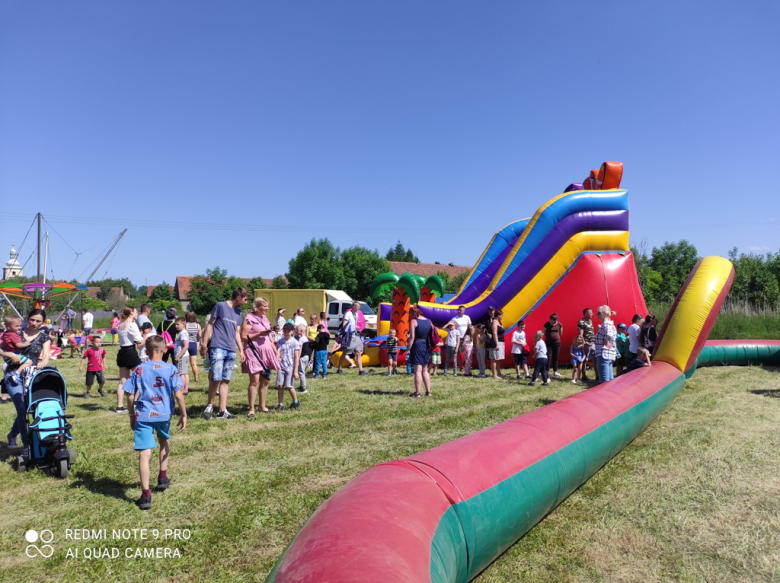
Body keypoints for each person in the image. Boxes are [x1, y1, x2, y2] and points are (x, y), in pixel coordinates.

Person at [124, 335, 187, 511]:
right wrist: (184, 414)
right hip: (164, 414)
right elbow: (179, 394)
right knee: (163, 441)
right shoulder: (171, 368)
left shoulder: (139, 369)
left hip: (143, 415)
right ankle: (162, 477)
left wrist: (131, 415)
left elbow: (130, 395)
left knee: (144, 454)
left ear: (145, 351)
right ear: (165, 350)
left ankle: (145, 495)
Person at [6, 309, 51, 457]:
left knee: (26, 409)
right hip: (14, 375)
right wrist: (10, 354)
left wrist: (43, 363)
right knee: (22, 409)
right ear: (27, 318)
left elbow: (45, 357)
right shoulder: (15, 331)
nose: (34, 323)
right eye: (32, 319)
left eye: (38, 321)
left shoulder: (44, 337)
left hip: (32, 374)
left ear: (42, 322)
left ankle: (12, 435)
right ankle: (27, 447)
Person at [200, 288, 249, 420]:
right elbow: (210, 325)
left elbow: (237, 332)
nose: (246, 302)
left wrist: (241, 350)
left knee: (226, 379)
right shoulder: (220, 305)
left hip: (231, 349)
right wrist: (204, 344)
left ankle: (222, 411)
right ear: (238, 297)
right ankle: (209, 405)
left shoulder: (238, 312)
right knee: (216, 377)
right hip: (218, 346)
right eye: (245, 299)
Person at [241, 297, 281, 417]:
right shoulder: (249, 318)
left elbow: (269, 337)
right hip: (254, 352)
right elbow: (243, 337)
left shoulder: (263, 317)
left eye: (267, 306)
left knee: (265, 380)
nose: (267, 309)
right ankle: (251, 409)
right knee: (255, 381)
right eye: (265, 306)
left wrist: (275, 351)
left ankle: (262, 406)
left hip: (266, 352)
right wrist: (259, 334)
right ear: (257, 306)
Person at [115, 307, 143, 414]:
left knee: (122, 382)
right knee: (141, 376)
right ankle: (136, 401)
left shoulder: (120, 325)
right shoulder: (132, 324)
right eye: (136, 311)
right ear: (131, 313)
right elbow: (139, 341)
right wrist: (146, 337)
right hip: (131, 352)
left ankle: (120, 406)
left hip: (122, 352)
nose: (137, 313)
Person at [408, 305, 432, 398]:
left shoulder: (413, 321)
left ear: (414, 313)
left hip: (417, 345)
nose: (410, 316)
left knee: (418, 370)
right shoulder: (428, 321)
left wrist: (408, 349)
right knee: (425, 370)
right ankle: (428, 392)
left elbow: (412, 337)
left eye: (410, 314)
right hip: (426, 345)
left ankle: (417, 393)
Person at [276, 323, 301, 410]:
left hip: (290, 367)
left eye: (288, 331)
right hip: (281, 367)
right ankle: (280, 404)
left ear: (292, 332)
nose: (286, 333)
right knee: (280, 386)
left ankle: (296, 401)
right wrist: (277, 358)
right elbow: (278, 351)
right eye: (284, 331)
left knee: (289, 386)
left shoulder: (295, 342)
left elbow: (296, 357)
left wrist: (295, 371)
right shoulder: (280, 341)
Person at [337, 302, 367, 376]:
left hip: (355, 336)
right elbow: (344, 325)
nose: (359, 308)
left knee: (358, 353)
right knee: (345, 353)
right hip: (349, 337)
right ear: (353, 306)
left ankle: (361, 371)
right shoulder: (348, 314)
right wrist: (354, 326)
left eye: (359, 306)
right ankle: (339, 369)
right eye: (357, 306)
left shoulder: (356, 314)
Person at [594, 305, 617, 383]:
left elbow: (609, 334)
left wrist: (606, 341)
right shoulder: (610, 324)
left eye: (599, 313)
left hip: (603, 354)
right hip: (609, 354)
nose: (597, 314)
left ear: (605, 314)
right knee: (610, 380)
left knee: (604, 381)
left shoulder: (606, 323)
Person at [577, 308, 596, 381]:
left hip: (592, 343)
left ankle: (597, 375)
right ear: (585, 314)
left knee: (595, 358)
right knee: (585, 360)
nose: (592, 314)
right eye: (590, 313)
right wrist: (584, 345)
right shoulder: (582, 322)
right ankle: (584, 375)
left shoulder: (590, 321)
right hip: (586, 343)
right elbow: (581, 335)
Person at [452, 306, 472, 373]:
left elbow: (470, 326)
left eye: (460, 310)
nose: (459, 311)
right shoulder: (454, 318)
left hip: (467, 337)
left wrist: (470, 335)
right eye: (458, 310)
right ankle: (461, 367)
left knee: (468, 352)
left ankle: (468, 366)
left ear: (464, 311)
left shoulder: (467, 317)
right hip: (459, 337)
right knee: (460, 353)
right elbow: (451, 326)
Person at [173, 317, 190, 397]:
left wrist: (178, 356)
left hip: (182, 356)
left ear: (183, 324)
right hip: (184, 355)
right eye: (175, 324)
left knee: (181, 374)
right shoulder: (182, 332)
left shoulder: (183, 333)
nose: (176, 326)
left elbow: (185, 346)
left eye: (178, 324)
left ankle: (182, 391)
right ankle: (185, 390)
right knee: (184, 373)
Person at [542, 313, 563, 378]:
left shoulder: (559, 324)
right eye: (553, 321)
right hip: (548, 343)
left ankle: (555, 371)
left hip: (557, 343)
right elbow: (544, 332)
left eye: (556, 321)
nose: (554, 322)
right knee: (548, 356)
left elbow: (561, 332)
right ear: (550, 319)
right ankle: (547, 371)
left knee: (555, 357)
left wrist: (556, 337)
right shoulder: (547, 324)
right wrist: (548, 337)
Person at [488, 308, 505, 379]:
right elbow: (494, 334)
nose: (503, 316)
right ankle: (494, 374)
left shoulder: (499, 322)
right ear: (498, 315)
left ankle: (499, 373)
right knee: (494, 358)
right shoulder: (494, 322)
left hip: (501, 341)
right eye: (502, 315)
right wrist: (497, 344)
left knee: (498, 358)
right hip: (496, 342)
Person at [295, 324, 312, 394]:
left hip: (302, 357)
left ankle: (303, 388)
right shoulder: (306, 338)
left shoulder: (301, 339)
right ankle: (301, 386)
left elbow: (299, 350)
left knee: (301, 373)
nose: (296, 332)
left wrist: (297, 359)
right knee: (303, 372)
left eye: (297, 331)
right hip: (307, 357)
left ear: (301, 331)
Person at [185, 311, 202, 383]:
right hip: (194, 344)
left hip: (186, 344)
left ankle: (184, 377)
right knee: (193, 363)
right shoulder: (198, 325)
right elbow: (200, 335)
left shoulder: (185, 325)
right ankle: (196, 378)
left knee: (184, 363)